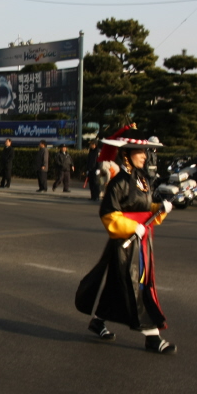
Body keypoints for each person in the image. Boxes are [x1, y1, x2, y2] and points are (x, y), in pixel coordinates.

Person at [75, 127, 176, 354]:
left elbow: (144, 211)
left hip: (141, 241)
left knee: (116, 286)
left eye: (146, 152)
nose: (145, 156)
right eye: (140, 152)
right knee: (136, 287)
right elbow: (108, 214)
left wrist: (161, 209)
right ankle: (152, 337)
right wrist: (132, 227)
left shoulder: (142, 179)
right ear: (127, 154)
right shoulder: (118, 182)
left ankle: (98, 321)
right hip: (125, 244)